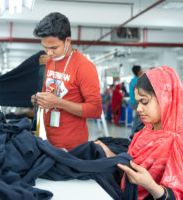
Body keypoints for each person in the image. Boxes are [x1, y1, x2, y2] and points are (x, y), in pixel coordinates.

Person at [95, 66, 183, 199]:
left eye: (144, 102)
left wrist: (151, 186)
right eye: (138, 103)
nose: (139, 109)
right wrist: (112, 156)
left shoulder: (177, 141)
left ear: (165, 99)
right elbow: (133, 167)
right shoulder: (145, 130)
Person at [31, 12, 102, 151]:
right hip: (48, 140)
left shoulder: (84, 67)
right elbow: (50, 92)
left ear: (67, 41)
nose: (49, 53)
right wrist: (40, 99)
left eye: (54, 48)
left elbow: (96, 110)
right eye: (45, 47)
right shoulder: (51, 61)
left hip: (73, 146)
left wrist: (59, 103)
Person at [129, 65, 143, 136]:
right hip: (136, 102)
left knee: (137, 118)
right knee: (137, 119)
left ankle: (134, 133)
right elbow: (136, 91)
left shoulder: (132, 80)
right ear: (138, 71)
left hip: (132, 102)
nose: (142, 70)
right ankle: (134, 134)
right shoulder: (138, 80)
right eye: (141, 69)